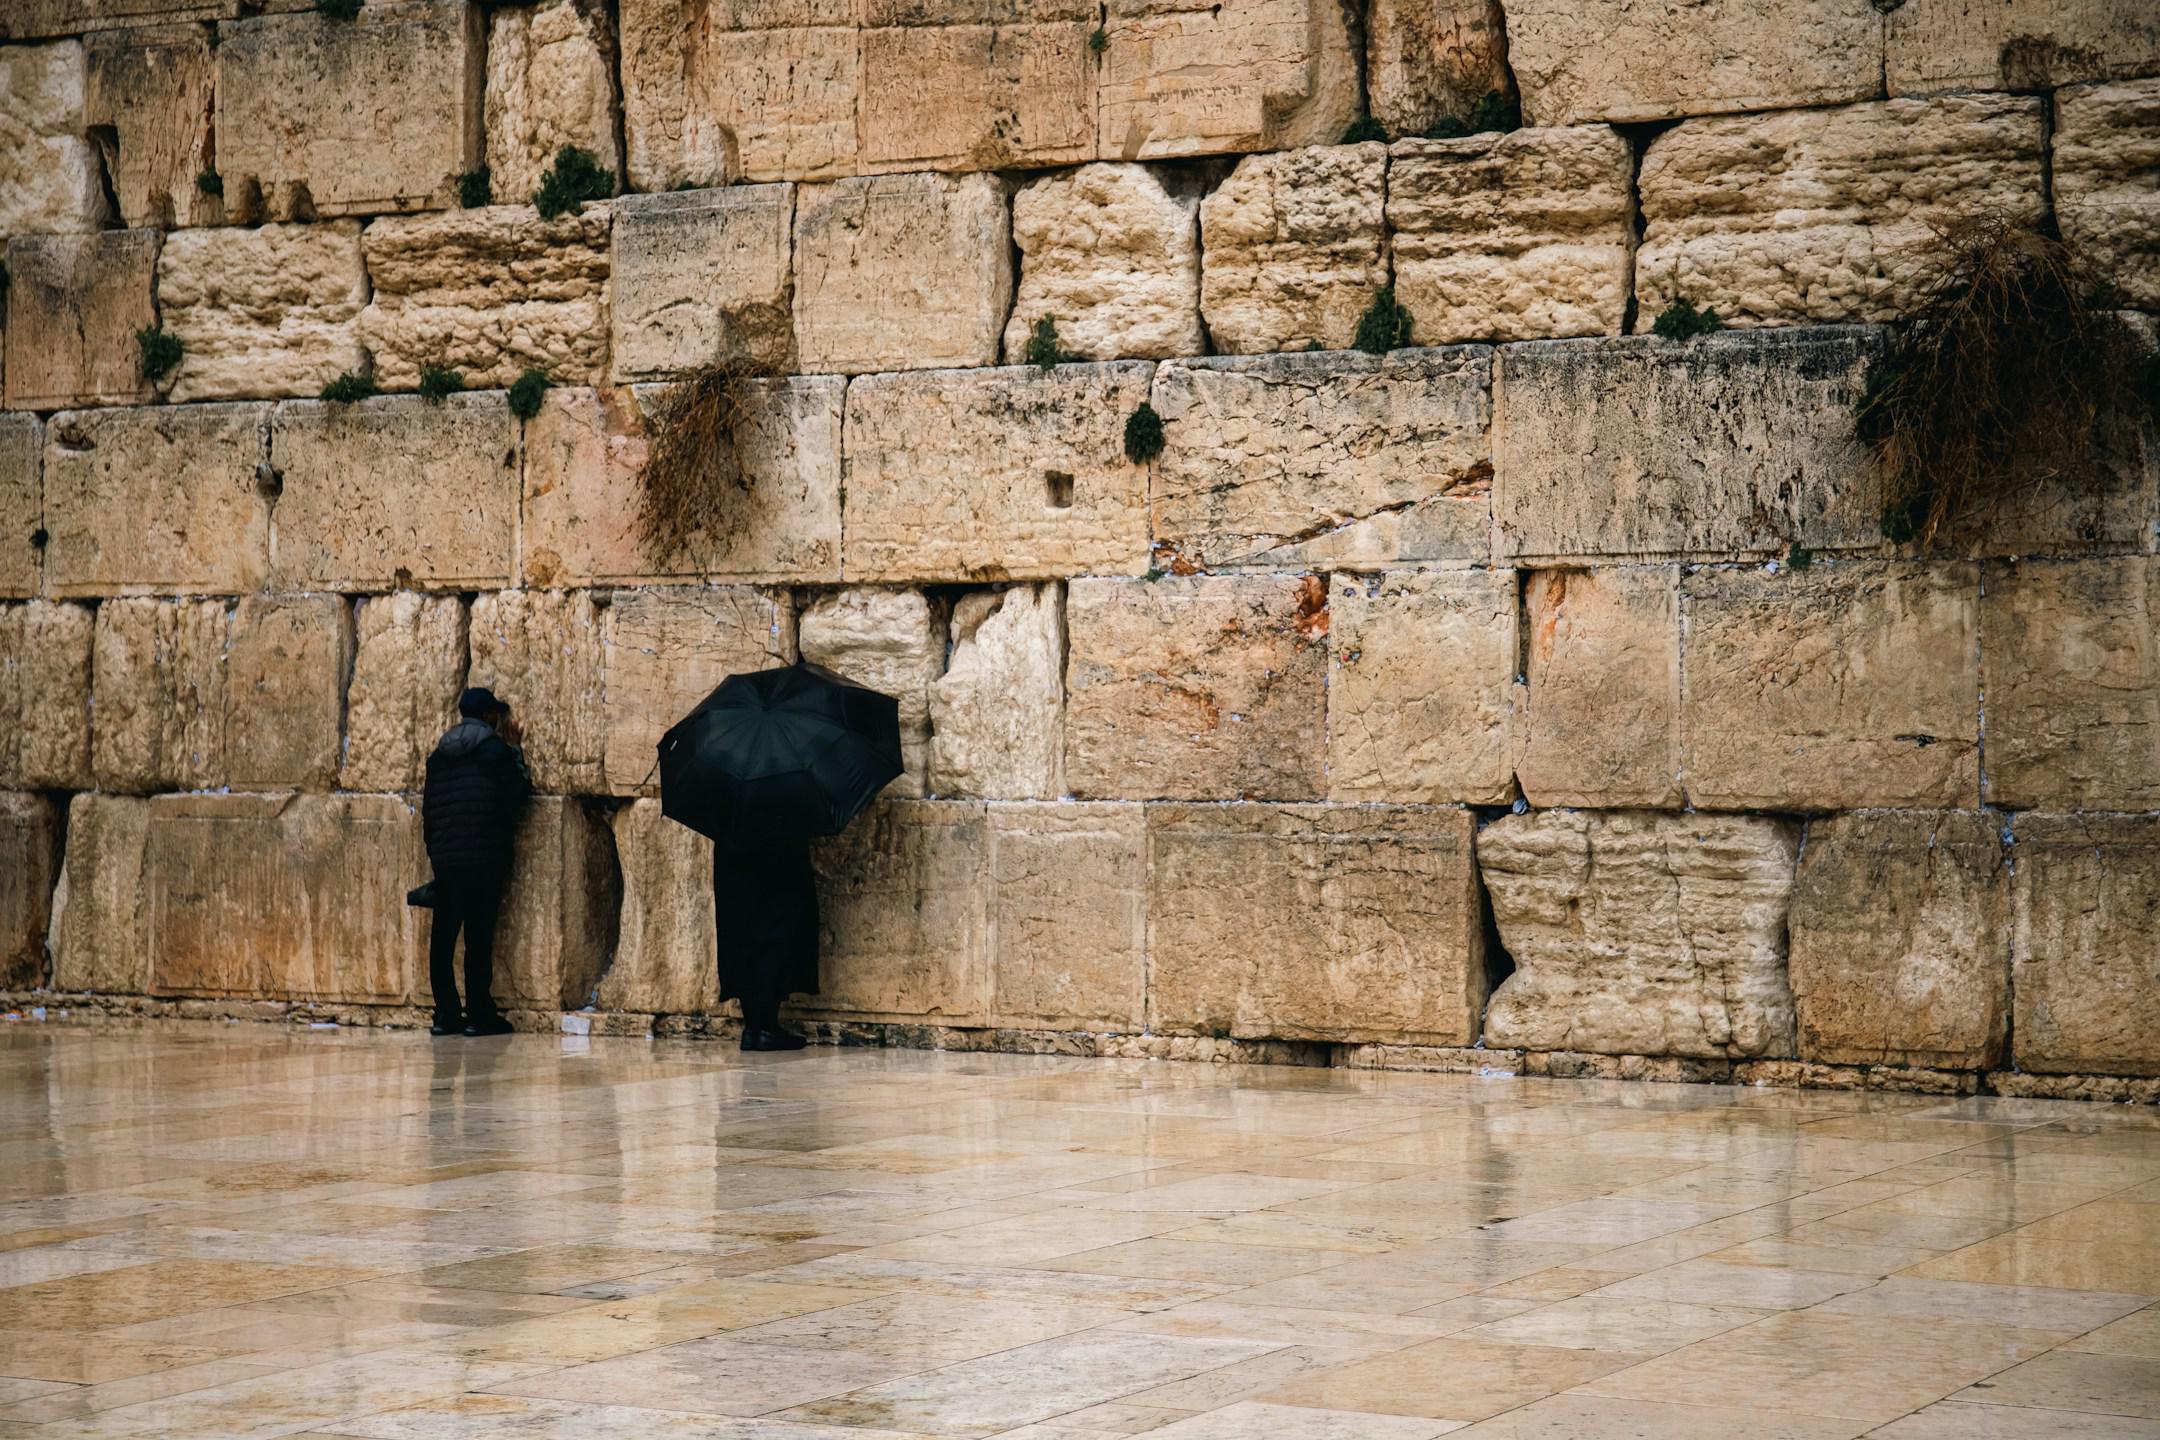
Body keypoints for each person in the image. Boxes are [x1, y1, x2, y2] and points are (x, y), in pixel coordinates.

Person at [422, 687, 531, 1037]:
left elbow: (429, 812)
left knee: (443, 938)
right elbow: (517, 795)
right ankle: (479, 1014)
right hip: (484, 858)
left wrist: (438, 852)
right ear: (488, 716)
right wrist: (516, 751)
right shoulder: (496, 752)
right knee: (478, 937)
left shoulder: (439, 756)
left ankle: (446, 1015)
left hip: (447, 858)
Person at [713, 835, 818, 1051]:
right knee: (776, 932)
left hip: (732, 847)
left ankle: (753, 1028)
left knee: (740, 933)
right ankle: (767, 1027)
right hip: (777, 844)